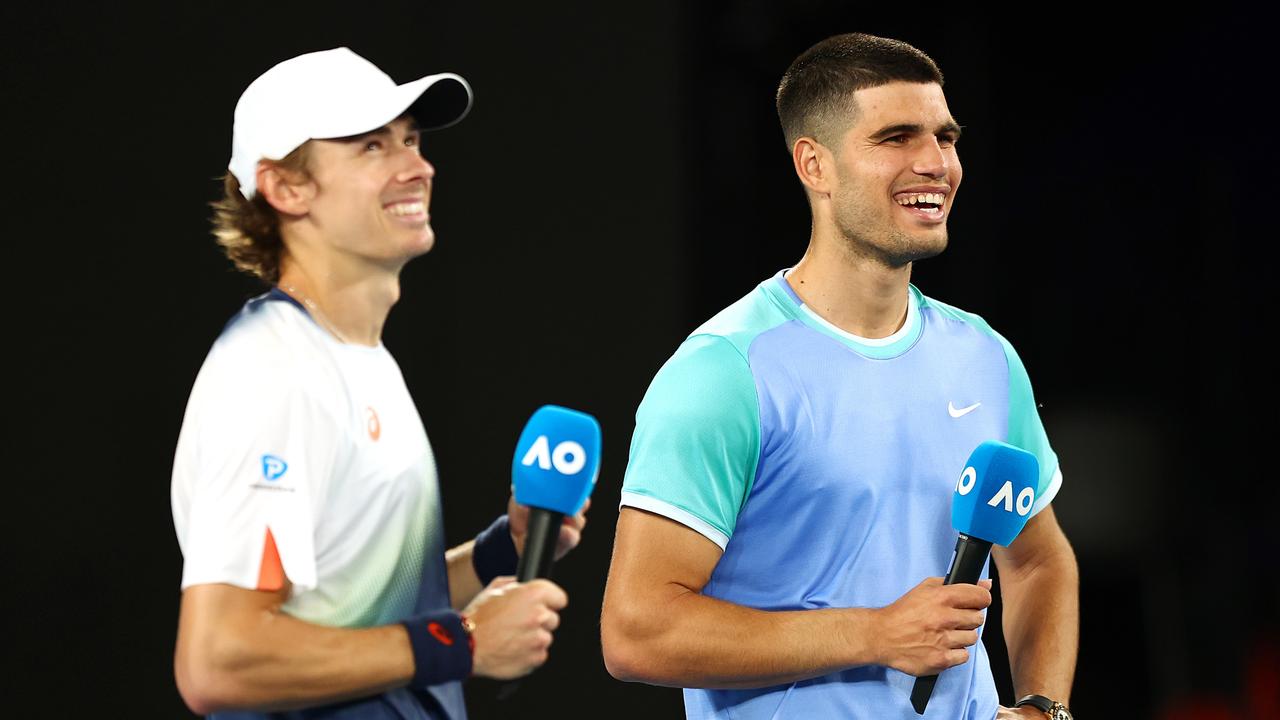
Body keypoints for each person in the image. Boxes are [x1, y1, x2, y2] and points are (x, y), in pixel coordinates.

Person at [600, 33, 1078, 720]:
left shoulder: (985, 357)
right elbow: (636, 632)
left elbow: (1037, 560)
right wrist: (875, 633)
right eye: (896, 138)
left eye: (945, 137)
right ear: (814, 165)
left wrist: (1042, 707)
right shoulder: (725, 371)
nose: (935, 163)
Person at [171, 47, 586, 720]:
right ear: (285, 188)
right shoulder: (271, 370)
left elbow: (359, 608)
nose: (417, 166)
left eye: (412, 140)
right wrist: (465, 641)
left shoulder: (357, 359)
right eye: (371, 147)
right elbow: (218, 659)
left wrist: (495, 553)